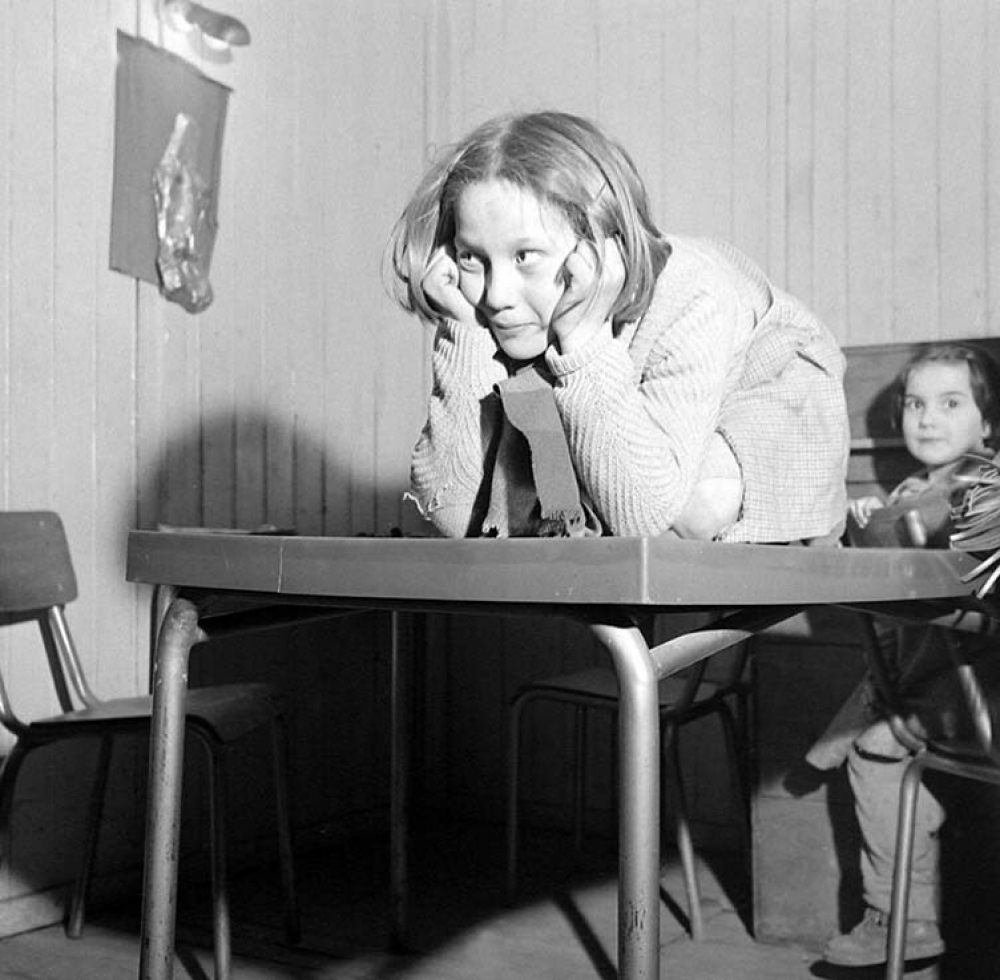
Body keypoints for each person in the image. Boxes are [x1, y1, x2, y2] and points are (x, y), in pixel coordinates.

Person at [385, 110, 849, 543]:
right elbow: (453, 515)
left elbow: (643, 516)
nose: (496, 295)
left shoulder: (696, 294)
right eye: (472, 257)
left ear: (598, 249)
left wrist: (583, 339)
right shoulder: (492, 305)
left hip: (766, 393)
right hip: (632, 439)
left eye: (525, 255)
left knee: (695, 508)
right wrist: (464, 332)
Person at [813, 342, 1000, 967]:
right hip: (942, 679)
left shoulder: (983, 487)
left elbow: (956, 556)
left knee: (874, 745)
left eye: (951, 404)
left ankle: (900, 917)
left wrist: (885, 526)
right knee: (884, 687)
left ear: (988, 423)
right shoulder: (918, 488)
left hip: (983, 685)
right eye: (916, 404)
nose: (927, 418)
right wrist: (875, 518)